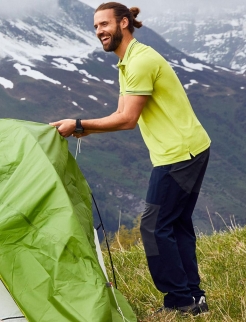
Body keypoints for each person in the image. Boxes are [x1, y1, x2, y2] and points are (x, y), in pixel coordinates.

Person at [50, 2, 211, 316]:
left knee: (153, 226)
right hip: (189, 148)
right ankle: (194, 299)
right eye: (96, 26)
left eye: (104, 24)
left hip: (179, 154)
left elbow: (127, 119)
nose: (99, 32)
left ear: (124, 23)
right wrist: (85, 129)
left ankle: (179, 302)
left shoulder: (139, 62)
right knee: (175, 225)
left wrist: (80, 125)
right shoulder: (130, 60)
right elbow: (122, 114)